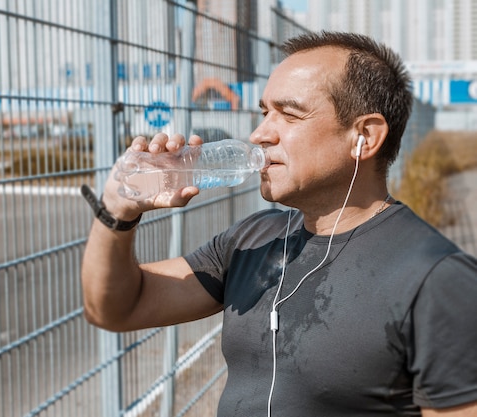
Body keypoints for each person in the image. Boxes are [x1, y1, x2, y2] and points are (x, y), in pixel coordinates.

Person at [80, 31, 477, 416]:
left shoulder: (438, 278)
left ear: (364, 137)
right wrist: (117, 211)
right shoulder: (252, 239)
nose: (259, 134)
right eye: (264, 112)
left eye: (289, 114)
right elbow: (117, 309)